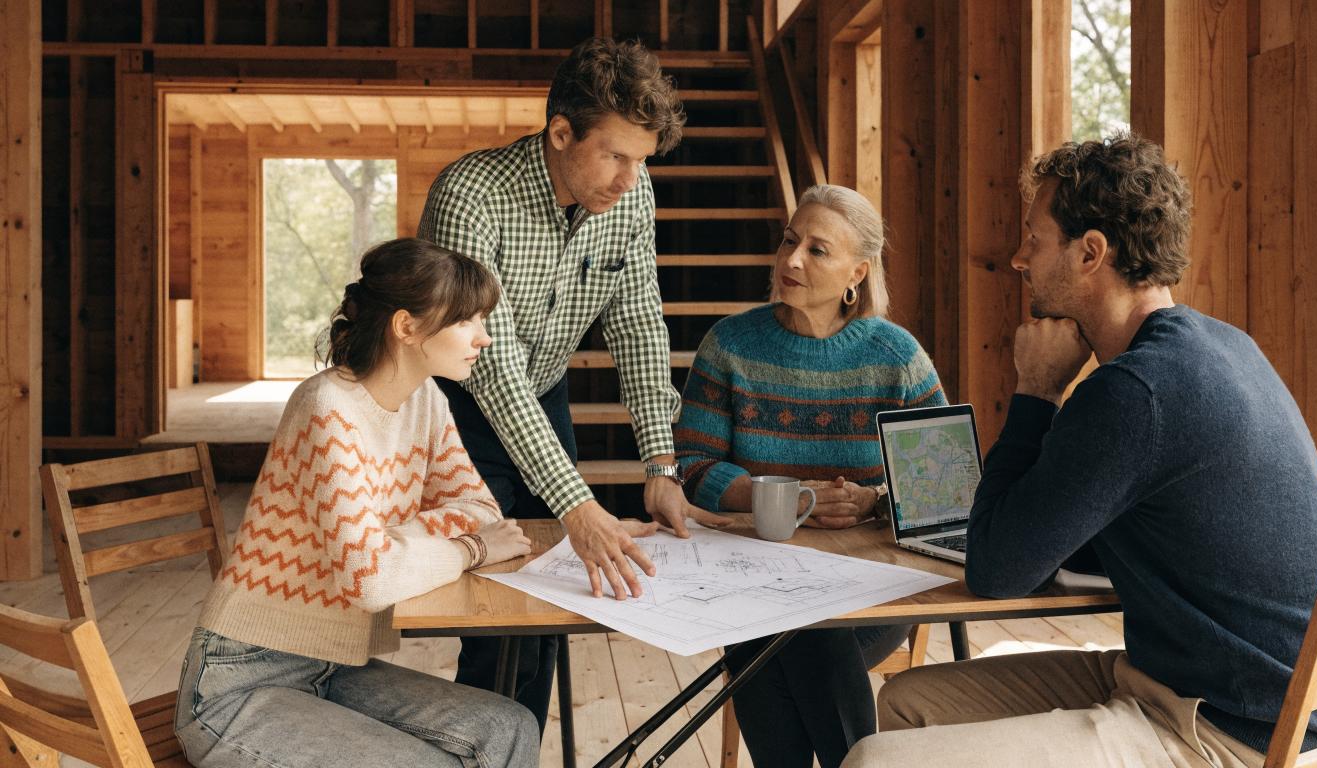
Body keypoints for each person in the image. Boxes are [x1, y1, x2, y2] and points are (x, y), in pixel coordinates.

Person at [843, 133, 1317, 768]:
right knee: (910, 701)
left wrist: (1035, 390)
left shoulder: (1135, 392)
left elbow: (997, 573)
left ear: (1090, 253)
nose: (1018, 258)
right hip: (1202, 686)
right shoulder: (1221, 345)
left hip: (1229, 731)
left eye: (1034, 239)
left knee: (876, 761)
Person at [417, 37, 726, 728]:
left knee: (550, 608)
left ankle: (520, 746)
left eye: (641, 160)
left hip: (544, 395)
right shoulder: (471, 196)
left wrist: (662, 466)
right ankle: (488, 748)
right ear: (561, 133)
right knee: (496, 613)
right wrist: (577, 505)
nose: (629, 179)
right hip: (457, 406)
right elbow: (492, 368)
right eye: (615, 155)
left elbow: (638, 324)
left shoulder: (632, 197)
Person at [174, 238, 540, 768]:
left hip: (333, 663)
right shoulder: (327, 407)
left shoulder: (425, 400)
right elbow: (372, 580)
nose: (484, 337)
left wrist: (390, 545)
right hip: (239, 684)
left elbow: (480, 509)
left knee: (510, 725)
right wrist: (469, 550)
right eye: (467, 320)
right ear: (406, 326)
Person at [675, 184, 946, 768]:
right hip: (755, 571)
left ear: (857, 273)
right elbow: (694, 466)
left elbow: (944, 491)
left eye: (817, 250)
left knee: (793, 632)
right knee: (780, 626)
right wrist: (789, 499)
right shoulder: (729, 345)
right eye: (789, 241)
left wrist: (873, 500)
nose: (791, 259)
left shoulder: (898, 357)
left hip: (875, 582)